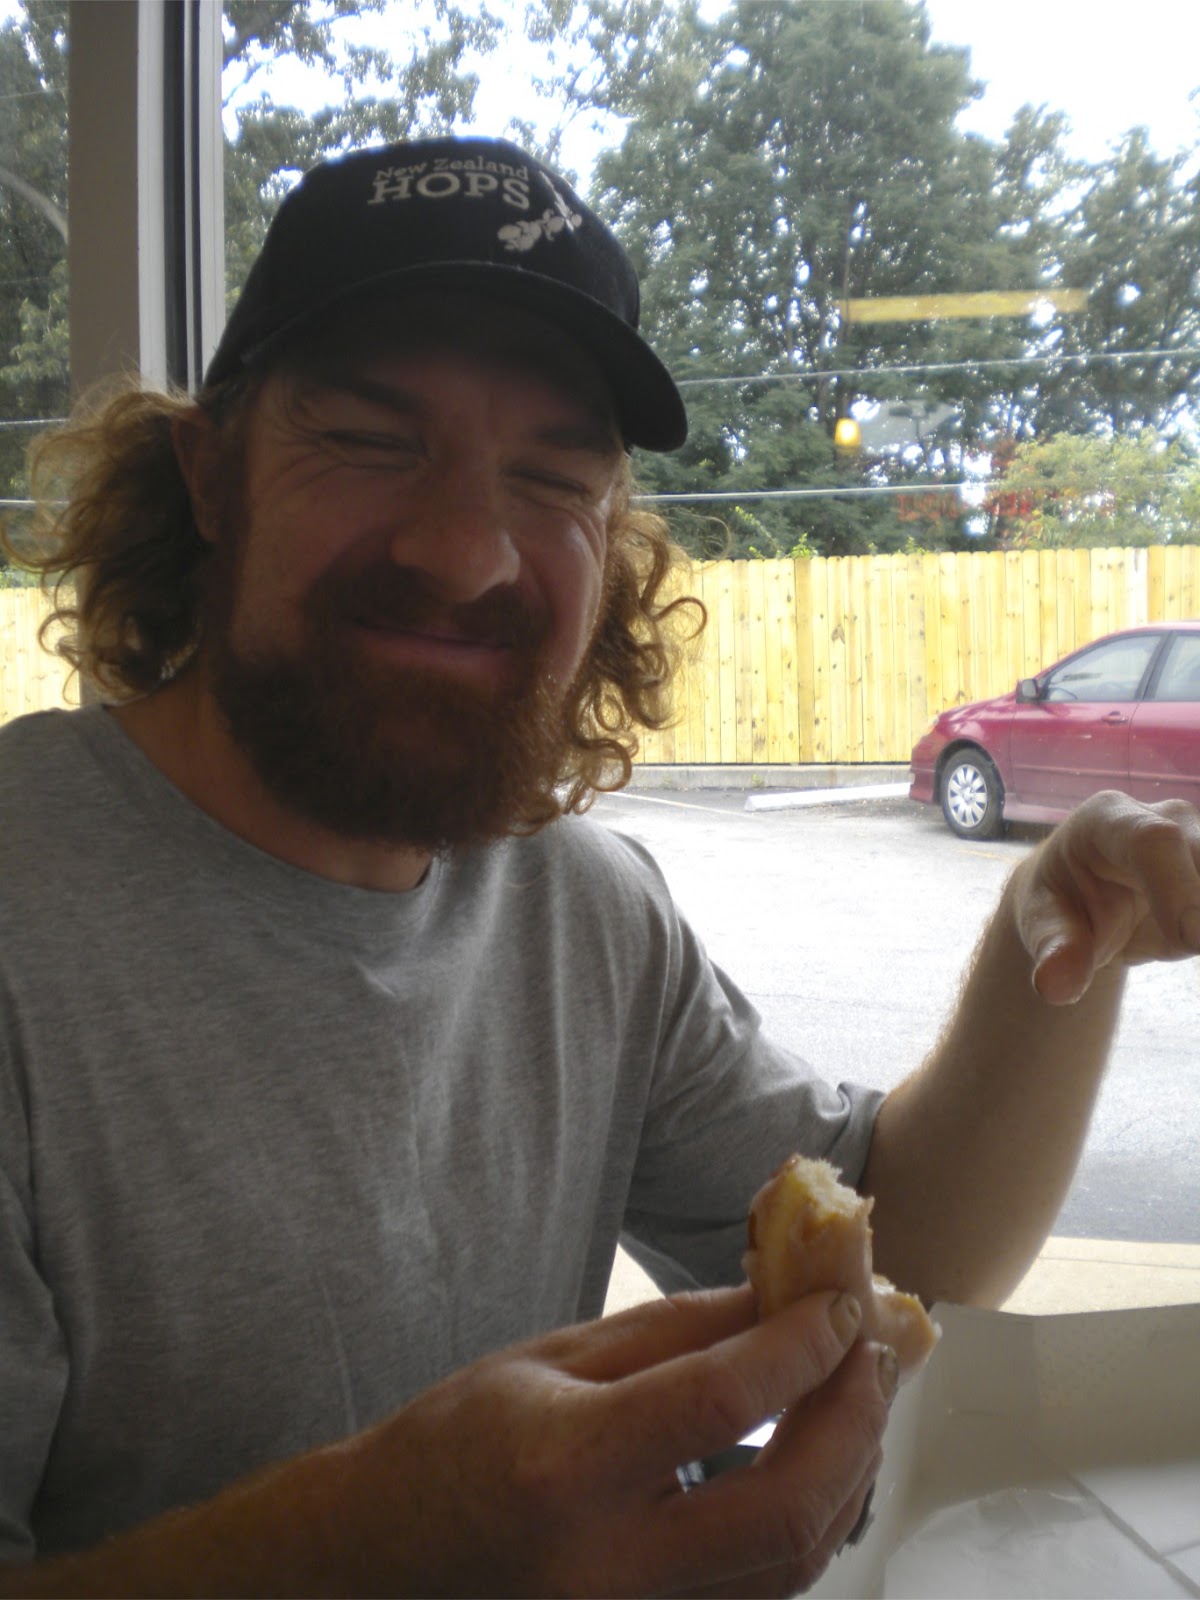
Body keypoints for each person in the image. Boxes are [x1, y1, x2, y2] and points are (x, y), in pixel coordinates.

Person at [0, 133, 1197, 1598]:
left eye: (554, 476)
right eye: (369, 441)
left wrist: (1050, 929)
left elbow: (907, 1259)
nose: (465, 552)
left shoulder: (586, 911)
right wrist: (380, 1547)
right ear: (208, 475)